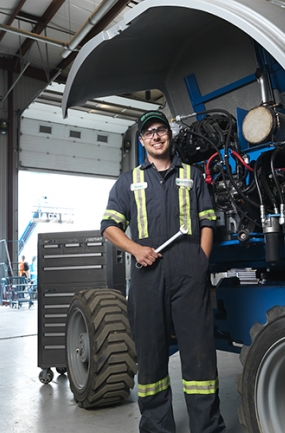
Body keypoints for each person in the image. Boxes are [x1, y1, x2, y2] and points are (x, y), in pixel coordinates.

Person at [100, 110, 226, 433]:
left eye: (161, 130)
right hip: (147, 276)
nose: (156, 136)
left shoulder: (193, 175)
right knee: (152, 359)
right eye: (149, 132)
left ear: (169, 135)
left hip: (189, 275)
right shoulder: (129, 182)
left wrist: (201, 261)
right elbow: (109, 227)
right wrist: (135, 249)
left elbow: (208, 220)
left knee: (200, 358)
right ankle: (157, 427)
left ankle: (207, 427)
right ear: (142, 141)